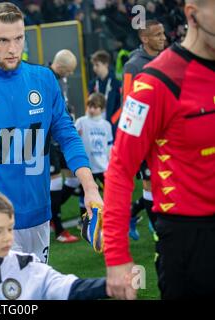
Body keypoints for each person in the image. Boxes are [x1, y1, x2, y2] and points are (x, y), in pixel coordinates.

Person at [0, 2, 103, 264]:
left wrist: (90, 187)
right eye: (2, 40)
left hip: (37, 215)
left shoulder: (44, 80)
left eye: (18, 38)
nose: (12, 49)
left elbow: (67, 135)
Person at [103, 0, 215, 300]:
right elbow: (120, 168)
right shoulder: (154, 82)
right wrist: (116, 257)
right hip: (190, 243)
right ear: (192, 15)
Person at [0, 186, 109, 300]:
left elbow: (70, 288)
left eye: (10, 229)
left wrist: (111, 286)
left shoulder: (27, 265)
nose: (7, 237)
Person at [120, 20, 166, 240]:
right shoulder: (133, 65)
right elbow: (128, 101)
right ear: (144, 38)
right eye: (157, 35)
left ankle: (133, 215)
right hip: (147, 136)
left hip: (168, 134)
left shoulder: (167, 60)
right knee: (149, 182)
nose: (163, 38)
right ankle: (159, 232)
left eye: (163, 33)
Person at [49, 49, 80, 243]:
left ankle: (52, 214)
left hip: (61, 138)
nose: (69, 75)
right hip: (48, 139)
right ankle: (59, 230)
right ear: (61, 67)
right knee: (55, 181)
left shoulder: (60, 79)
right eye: (68, 71)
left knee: (73, 179)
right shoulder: (46, 79)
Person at [75, 92, 113, 190]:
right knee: (86, 194)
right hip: (87, 167)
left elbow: (109, 146)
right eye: (89, 106)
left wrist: (110, 163)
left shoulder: (106, 125)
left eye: (95, 107)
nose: (91, 110)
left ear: (102, 109)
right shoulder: (81, 122)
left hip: (103, 167)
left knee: (109, 192)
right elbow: (73, 141)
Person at [88, 50, 121, 136]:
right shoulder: (93, 84)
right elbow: (89, 103)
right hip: (96, 124)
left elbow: (121, 105)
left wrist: (113, 121)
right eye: (93, 65)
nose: (94, 68)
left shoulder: (116, 84)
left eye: (97, 65)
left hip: (112, 125)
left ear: (106, 64)